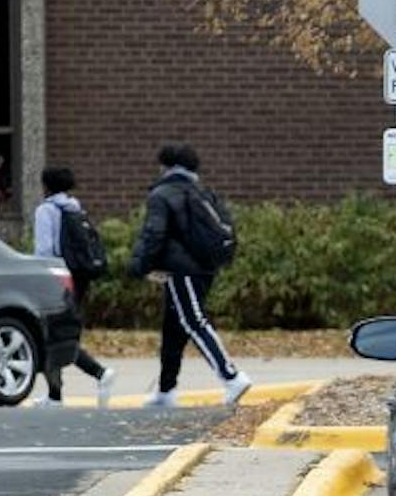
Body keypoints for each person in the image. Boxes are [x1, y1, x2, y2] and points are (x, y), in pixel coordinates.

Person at [126, 143, 253, 409]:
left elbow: (154, 234)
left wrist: (140, 266)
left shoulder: (162, 194)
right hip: (205, 267)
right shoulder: (201, 192)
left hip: (181, 270)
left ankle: (231, 377)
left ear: (166, 166)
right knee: (173, 328)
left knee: (194, 321)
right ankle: (166, 390)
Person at [31, 165, 117, 407]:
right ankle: (55, 394)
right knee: (62, 333)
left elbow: (44, 250)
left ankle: (98, 374)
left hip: (57, 278)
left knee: (52, 335)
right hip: (79, 278)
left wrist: (40, 277)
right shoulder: (75, 208)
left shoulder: (46, 211)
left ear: (45, 185)